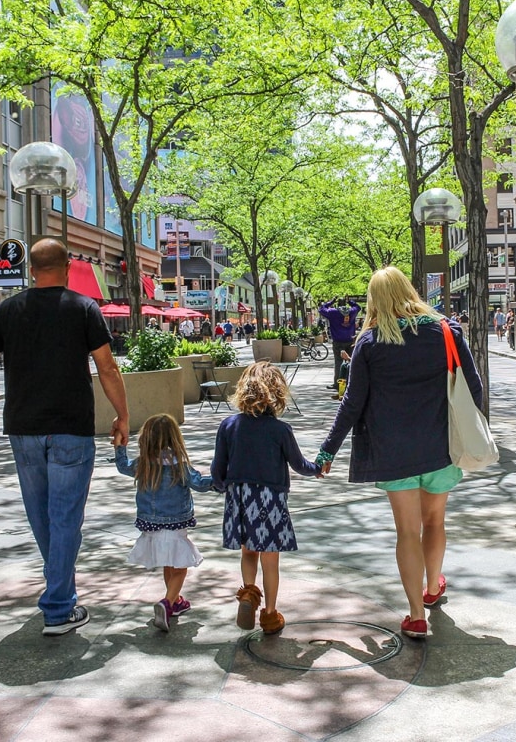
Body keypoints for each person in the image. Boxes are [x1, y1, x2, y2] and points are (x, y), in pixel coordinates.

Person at [0, 238, 129, 636]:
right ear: (68, 266)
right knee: (65, 518)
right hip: (71, 427)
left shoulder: (9, 309)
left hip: (24, 428)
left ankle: (60, 596)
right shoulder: (84, 307)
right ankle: (57, 607)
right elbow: (107, 368)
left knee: (43, 518)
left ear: (32, 269)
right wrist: (122, 415)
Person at [317, 266, 482, 640]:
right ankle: (433, 589)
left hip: (393, 451)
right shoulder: (445, 332)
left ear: (375, 300)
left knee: (407, 531)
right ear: (410, 291)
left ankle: (414, 614)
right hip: (441, 446)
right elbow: (474, 388)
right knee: (435, 522)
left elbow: (351, 404)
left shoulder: (370, 343)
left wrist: (328, 451)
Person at [211, 361, 323, 635]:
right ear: (278, 393)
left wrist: (220, 485)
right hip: (270, 498)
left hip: (239, 496)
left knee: (248, 551)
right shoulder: (280, 430)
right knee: (270, 560)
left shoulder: (229, 425)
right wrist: (317, 468)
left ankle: (248, 593)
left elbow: (218, 468)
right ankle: (270, 615)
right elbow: (298, 464)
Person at [114, 414, 215, 633]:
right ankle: (167, 603)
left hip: (150, 523)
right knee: (179, 568)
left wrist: (120, 446)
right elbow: (199, 483)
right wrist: (220, 481)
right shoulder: (179, 465)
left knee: (169, 564)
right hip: (175, 523)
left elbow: (122, 466)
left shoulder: (143, 463)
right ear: (175, 438)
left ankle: (175, 601)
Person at [319, 296, 361, 390]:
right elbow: (358, 307)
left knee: (338, 362)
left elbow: (321, 309)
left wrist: (330, 302)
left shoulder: (333, 312)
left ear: (337, 304)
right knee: (351, 361)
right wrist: (350, 301)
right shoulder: (352, 311)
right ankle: (350, 382)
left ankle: (337, 383)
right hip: (350, 340)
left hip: (338, 341)